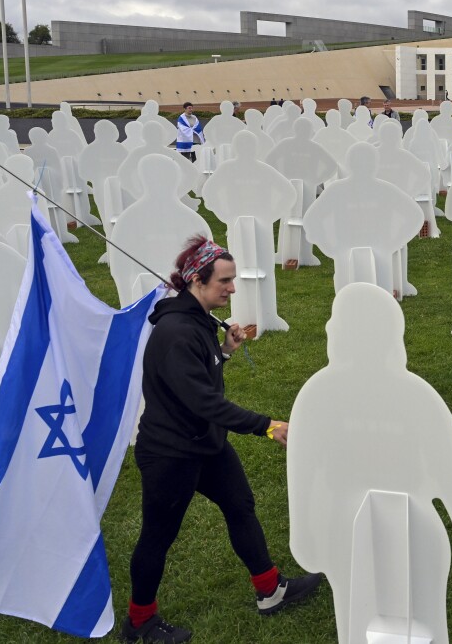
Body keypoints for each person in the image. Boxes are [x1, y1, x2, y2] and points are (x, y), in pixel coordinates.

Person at [124, 236, 324, 643]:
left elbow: (201, 378)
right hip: (171, 453)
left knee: (240, 505)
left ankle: (270, 590)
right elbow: (204, 402)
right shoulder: (176, 332)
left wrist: (225, 351)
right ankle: (139, 622)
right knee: (157, 536)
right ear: (197, 280)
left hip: (205, 443)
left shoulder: (197, 319)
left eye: (232, 280)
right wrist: (269, 425)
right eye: (225, 281)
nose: (232, 289)